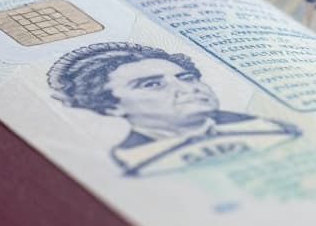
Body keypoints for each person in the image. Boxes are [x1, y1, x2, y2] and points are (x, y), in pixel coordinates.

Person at [48, 42, 299, 177]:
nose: (187, 89)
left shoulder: (269, 129)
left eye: (187, 78)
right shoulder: (132, 163)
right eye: (153, 84)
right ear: (111, 106)